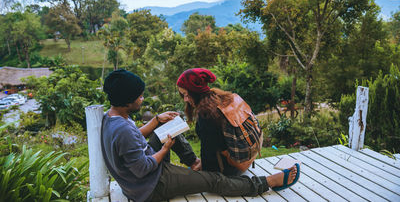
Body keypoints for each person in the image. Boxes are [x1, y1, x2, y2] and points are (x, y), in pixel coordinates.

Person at [101, 69, 300, 202]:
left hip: (142, 173)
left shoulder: (112, 116)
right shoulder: (123, 130)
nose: (143, 98)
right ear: (127, 100)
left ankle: (193, 163)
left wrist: (156, 121)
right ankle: (268, 182)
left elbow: (134, 136)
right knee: (212, 181)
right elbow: (142, 168)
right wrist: (164, 150)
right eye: (139, 96)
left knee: (169, 129)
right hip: (150, 185)